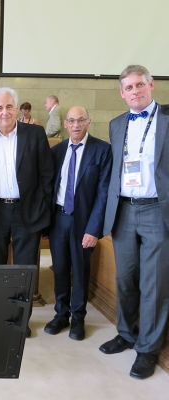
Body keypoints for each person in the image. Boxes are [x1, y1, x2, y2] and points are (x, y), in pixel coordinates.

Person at [100, 65, 169, 379]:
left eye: (140, 85)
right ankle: (127, 333)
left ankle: (148, 349)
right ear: (122, 92)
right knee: (125, 279)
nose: (135, 91)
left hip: (157, 210)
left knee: (154, 285)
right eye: (128, 87)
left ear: (151, 85)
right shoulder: (116, 124)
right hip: (124, 211)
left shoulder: (167, 119)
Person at [0, 87, 54, 337]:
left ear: (17, 109)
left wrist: (43, 210)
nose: (5, 111)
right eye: (0, 107)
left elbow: (47, 175)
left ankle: (20, 321)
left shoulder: (35, 134)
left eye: (9, 106)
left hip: (26, 211)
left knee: (24, 270)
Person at [45, 106, 112, 341]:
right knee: (60, 268)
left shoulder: (102, 150)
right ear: (65, 124)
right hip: (59, 218)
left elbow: (104, 194)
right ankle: (61, 314)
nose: (76, 125)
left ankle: (79, 318)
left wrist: (94, 229)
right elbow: (50, 188)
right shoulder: (58, 151)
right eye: (71, 120)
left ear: (89, 122)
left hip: (84, 222)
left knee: (80, 271)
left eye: (80, 120)